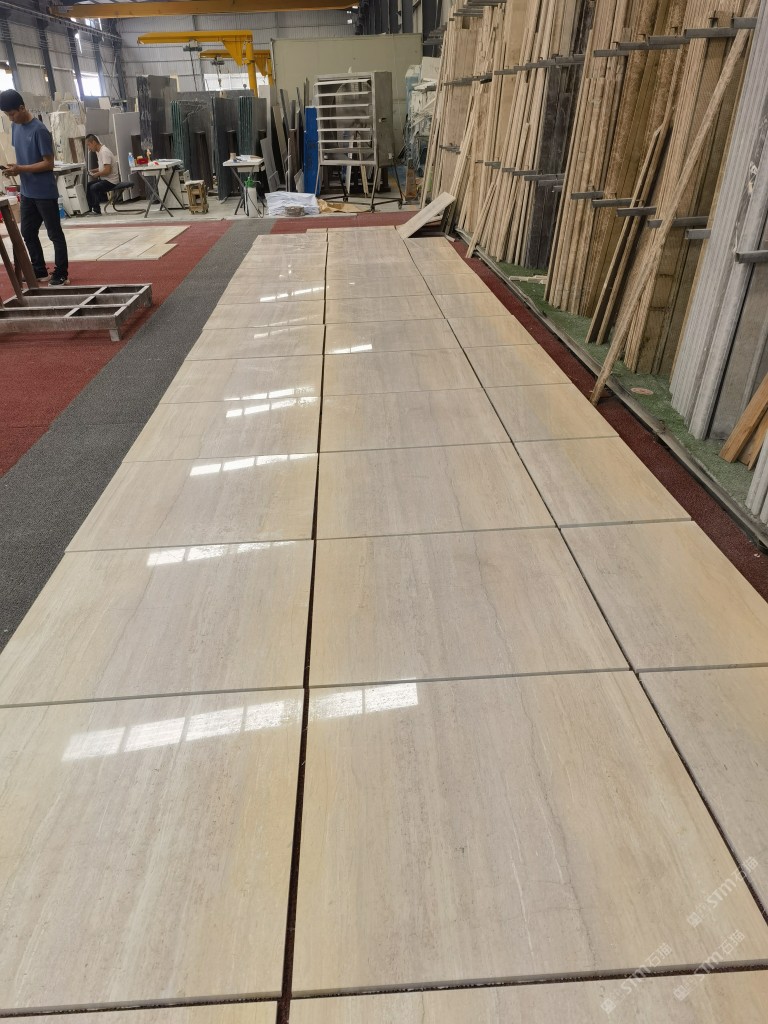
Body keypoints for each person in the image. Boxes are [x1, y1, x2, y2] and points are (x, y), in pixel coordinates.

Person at [0, 89, 69, 286]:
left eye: (12, 114)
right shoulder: (16, 128)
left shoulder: (39, 130)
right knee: (28, 232)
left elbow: (48, 163)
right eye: (7, 115)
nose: (11, 119)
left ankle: (61, 272)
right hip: (27, 192)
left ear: (22, 108)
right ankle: (39, 269)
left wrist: (20, 169)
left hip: (44, 192)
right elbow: (24, 157)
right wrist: (14, 168)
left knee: (54, 233)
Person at [85, 133, 119, 214]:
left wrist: (96, 175)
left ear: (94, 142)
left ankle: (96, 209)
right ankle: (88, 209)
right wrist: (93, 170)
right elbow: (102, 167)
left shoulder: (104, 152)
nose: (89, 148)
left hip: (111, 181)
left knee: (93, 187)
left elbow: (107, 171)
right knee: (88, 185)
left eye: (89, 145)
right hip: (105, 179)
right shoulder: (99, 152)